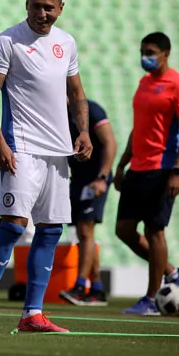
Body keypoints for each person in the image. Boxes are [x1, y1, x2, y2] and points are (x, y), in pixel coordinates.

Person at [0, 0, 92, 334]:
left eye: (49, 8)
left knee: (52, 230)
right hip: (21, 147)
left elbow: (77, 93)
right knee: (12, 226)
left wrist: (82, 131)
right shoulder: (8, 41)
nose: (42, 13)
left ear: (60, 8)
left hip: (58, 152)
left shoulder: (66, 43)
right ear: (27, 3)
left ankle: (32, 315)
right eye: (37, 6)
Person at [114, 32, 179, 315]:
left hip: (162, 167)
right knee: (123, 230)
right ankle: (173, 272)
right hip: (138, 168)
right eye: (143, 51)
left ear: (166, 53)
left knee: (154, 231)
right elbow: (139, 127)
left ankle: (152, 298)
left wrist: (178, 170)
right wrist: (122, 164)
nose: (145, 56)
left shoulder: (177, 85)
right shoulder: (144, 82)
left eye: (151, 51)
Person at [59, 99, 117, 306]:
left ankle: (80, 286)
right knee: (83, 232)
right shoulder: (61, 112)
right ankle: (97, 288)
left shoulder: (91, 109)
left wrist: (102, 177)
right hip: (79, 178)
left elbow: (110, 142)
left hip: (95, 178)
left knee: (85, 230)